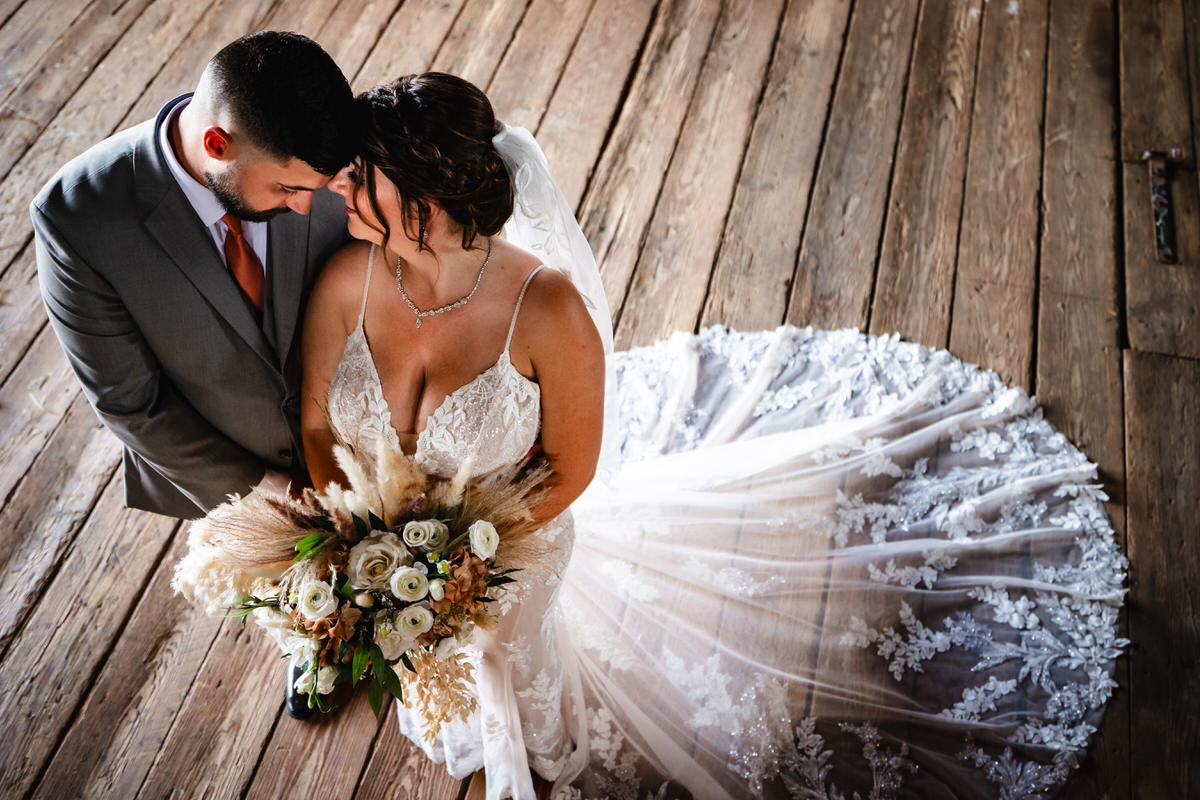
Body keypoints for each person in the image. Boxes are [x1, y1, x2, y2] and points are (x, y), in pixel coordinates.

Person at [303, 73, 1127, 799]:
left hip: (507, 548)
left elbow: (572, 467)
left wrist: (463, 566)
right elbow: (313, 420)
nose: (341, 191)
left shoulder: (545, 309)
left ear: (427, 201)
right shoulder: (348, 277)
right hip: (396, 556)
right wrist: (358, 539)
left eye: (361, 179)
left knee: (517, 668)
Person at [31, 31, 355, 520]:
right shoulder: (76, 218)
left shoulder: (327, 146)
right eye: (287, 188)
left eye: (318, 186)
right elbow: (132, 405)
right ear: (216, 144)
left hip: (367, 449)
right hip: (226, 487)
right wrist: (277, 498)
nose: (308, 205)